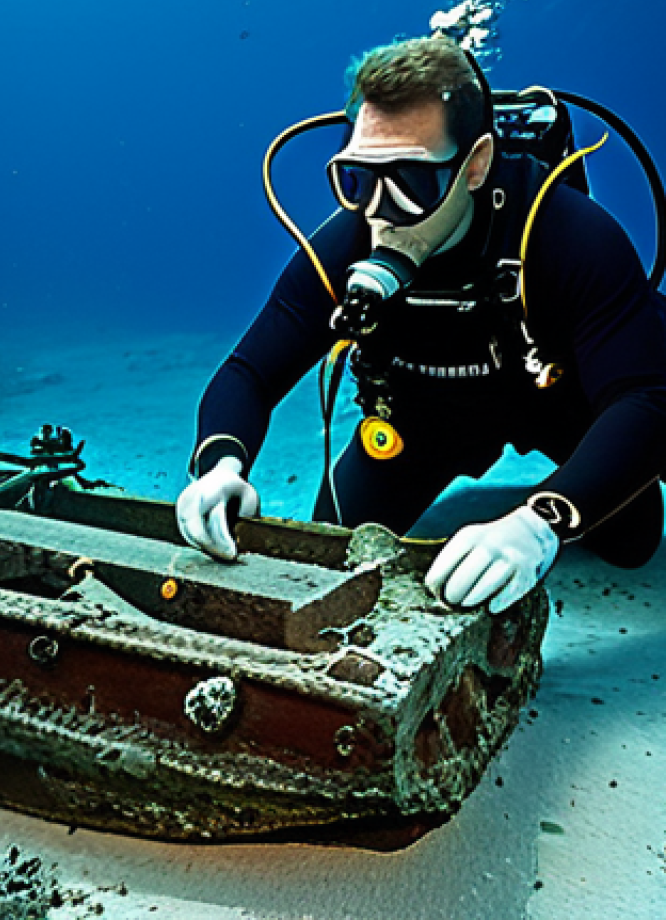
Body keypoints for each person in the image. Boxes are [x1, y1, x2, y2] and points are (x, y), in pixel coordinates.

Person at [176, 36, 666, 614]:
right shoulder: (344, 244)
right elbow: (249, 370)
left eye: (411, 182)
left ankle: (532, 495)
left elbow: (649, 396)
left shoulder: (568, 234)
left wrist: (541, 519)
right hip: (423, 417)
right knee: (335, 549)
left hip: (560, 403)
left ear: (476, 164)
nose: (380, 213)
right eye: (357, 180)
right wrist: (220, 467)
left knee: (634, 542)